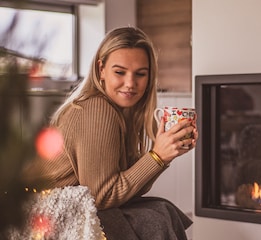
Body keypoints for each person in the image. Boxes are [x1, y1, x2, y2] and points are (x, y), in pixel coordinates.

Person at [24, 26, 198, 240]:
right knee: (156, 218)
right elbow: (101, 196)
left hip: (64, 204)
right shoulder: (97, 109)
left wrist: (164, 154)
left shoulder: (117, 111)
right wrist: (157, 157)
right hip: (43, 212)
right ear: (101, 70)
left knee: (161, 210)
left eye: (140, 74)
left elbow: (124, 188)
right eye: (120, 72)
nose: (130, 83)